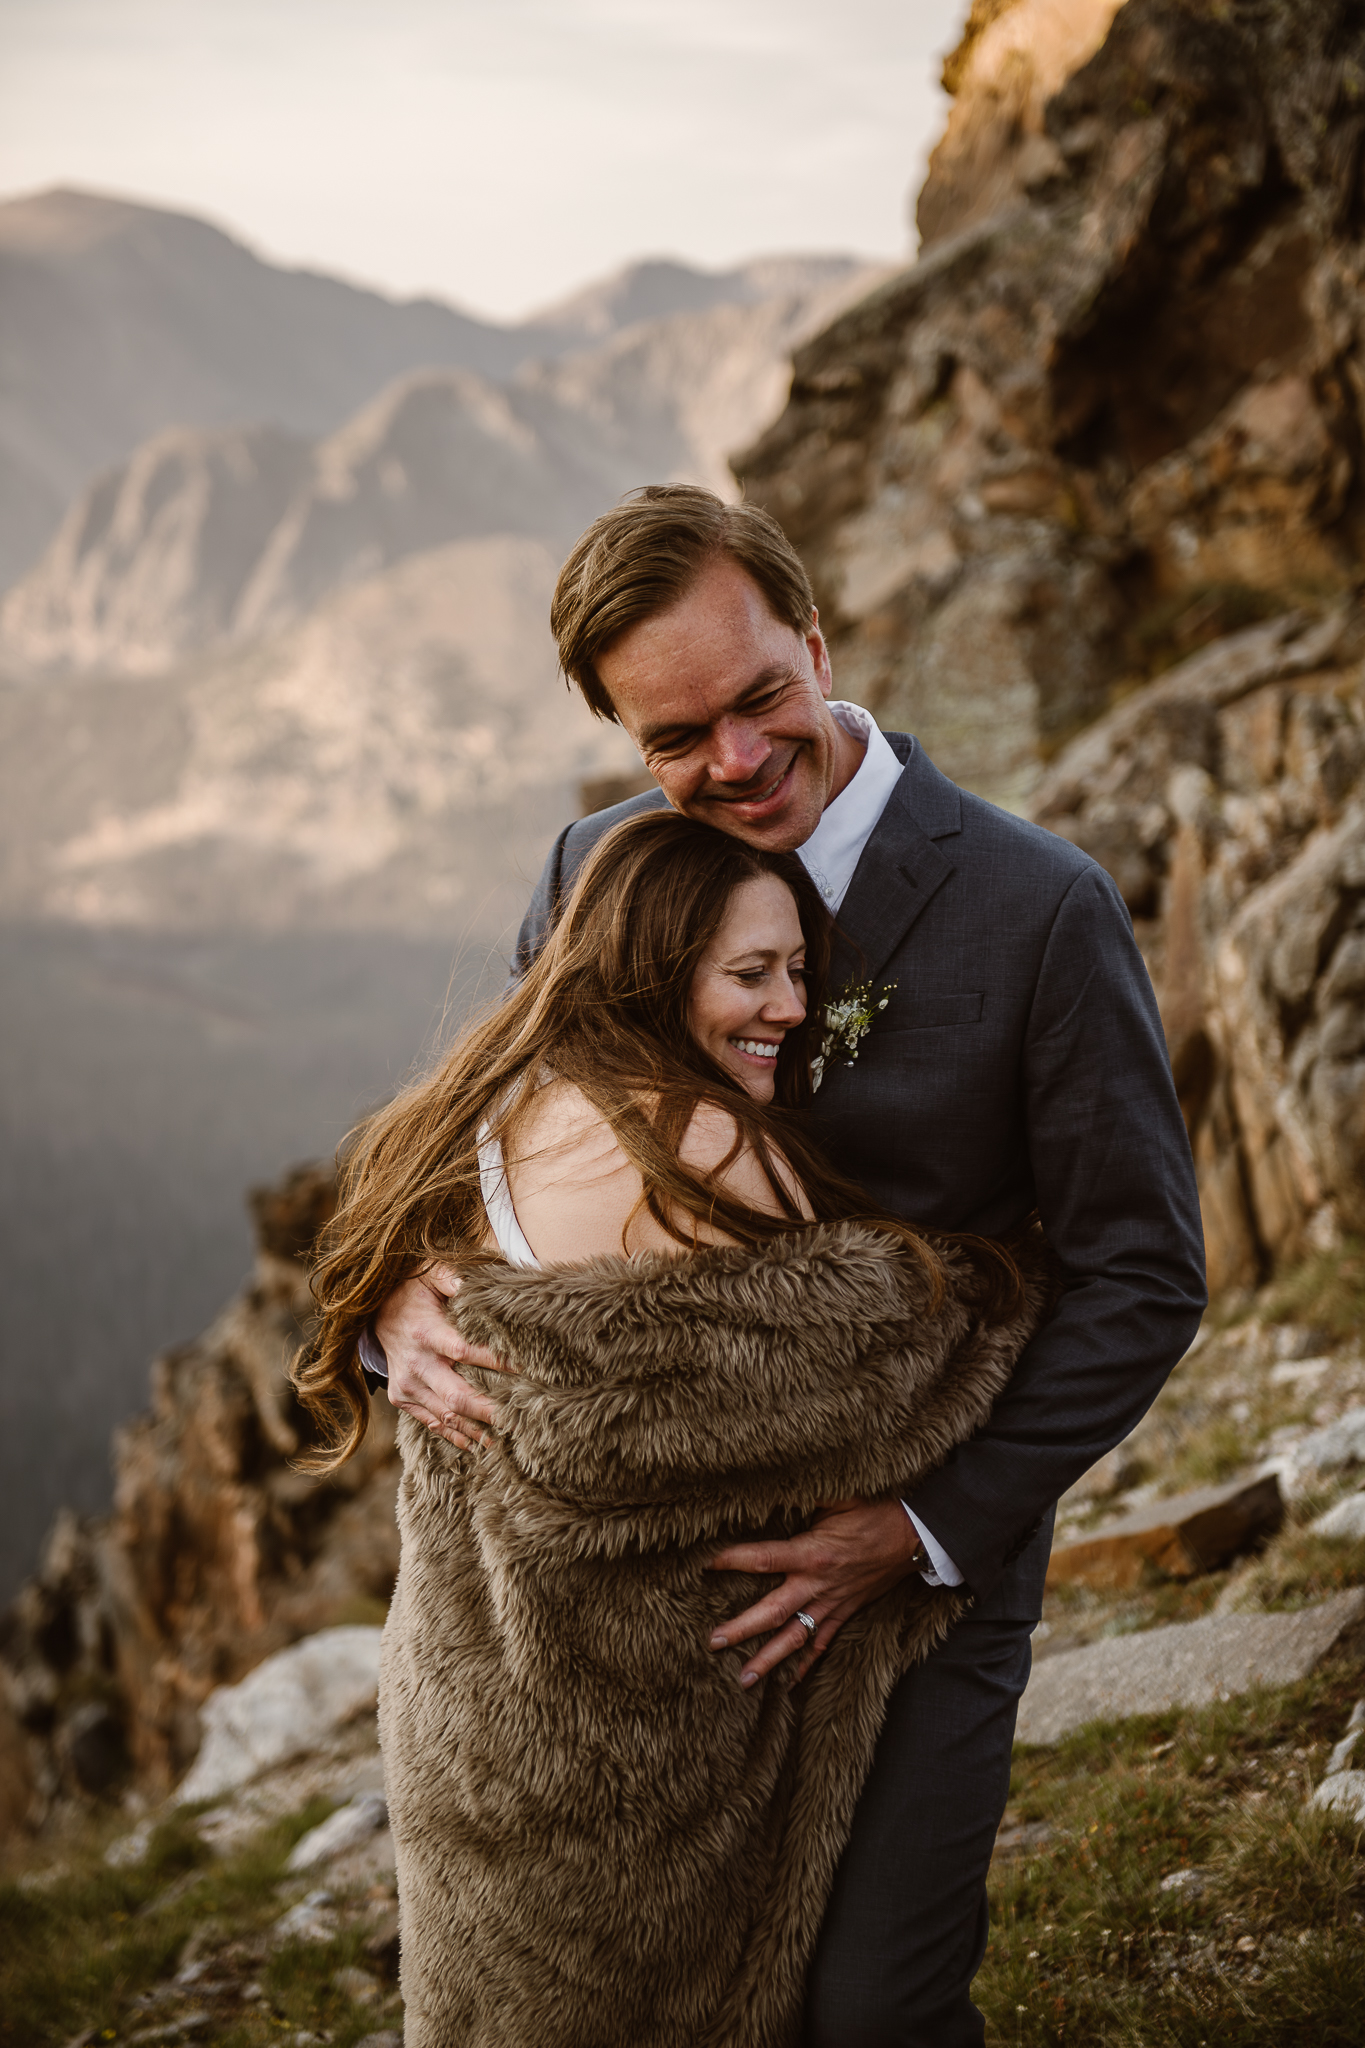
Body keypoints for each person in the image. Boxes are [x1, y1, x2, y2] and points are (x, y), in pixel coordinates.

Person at [367, 485, 1208, 2045]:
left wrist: (919, 1527)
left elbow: (1146, 1278)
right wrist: (402, 1297)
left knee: (869, 2011)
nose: (735, 763)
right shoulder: (593, 866)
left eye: (760, 699)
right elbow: (480, 1135)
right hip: (639, 1624)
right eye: (676, 737)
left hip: (917, 1580)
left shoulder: (1039, 909)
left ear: (813, 639)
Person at [298, 808, 1053, 2048]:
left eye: (801, 971)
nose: (793, 1007)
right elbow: (878, 1365)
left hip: (473, 1719)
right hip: (629, 1752)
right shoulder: (701, 1143)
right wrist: (1007, 1275)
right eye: (750, 974)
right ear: (654, 967)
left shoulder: (496, 1103)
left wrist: (390, 1303)